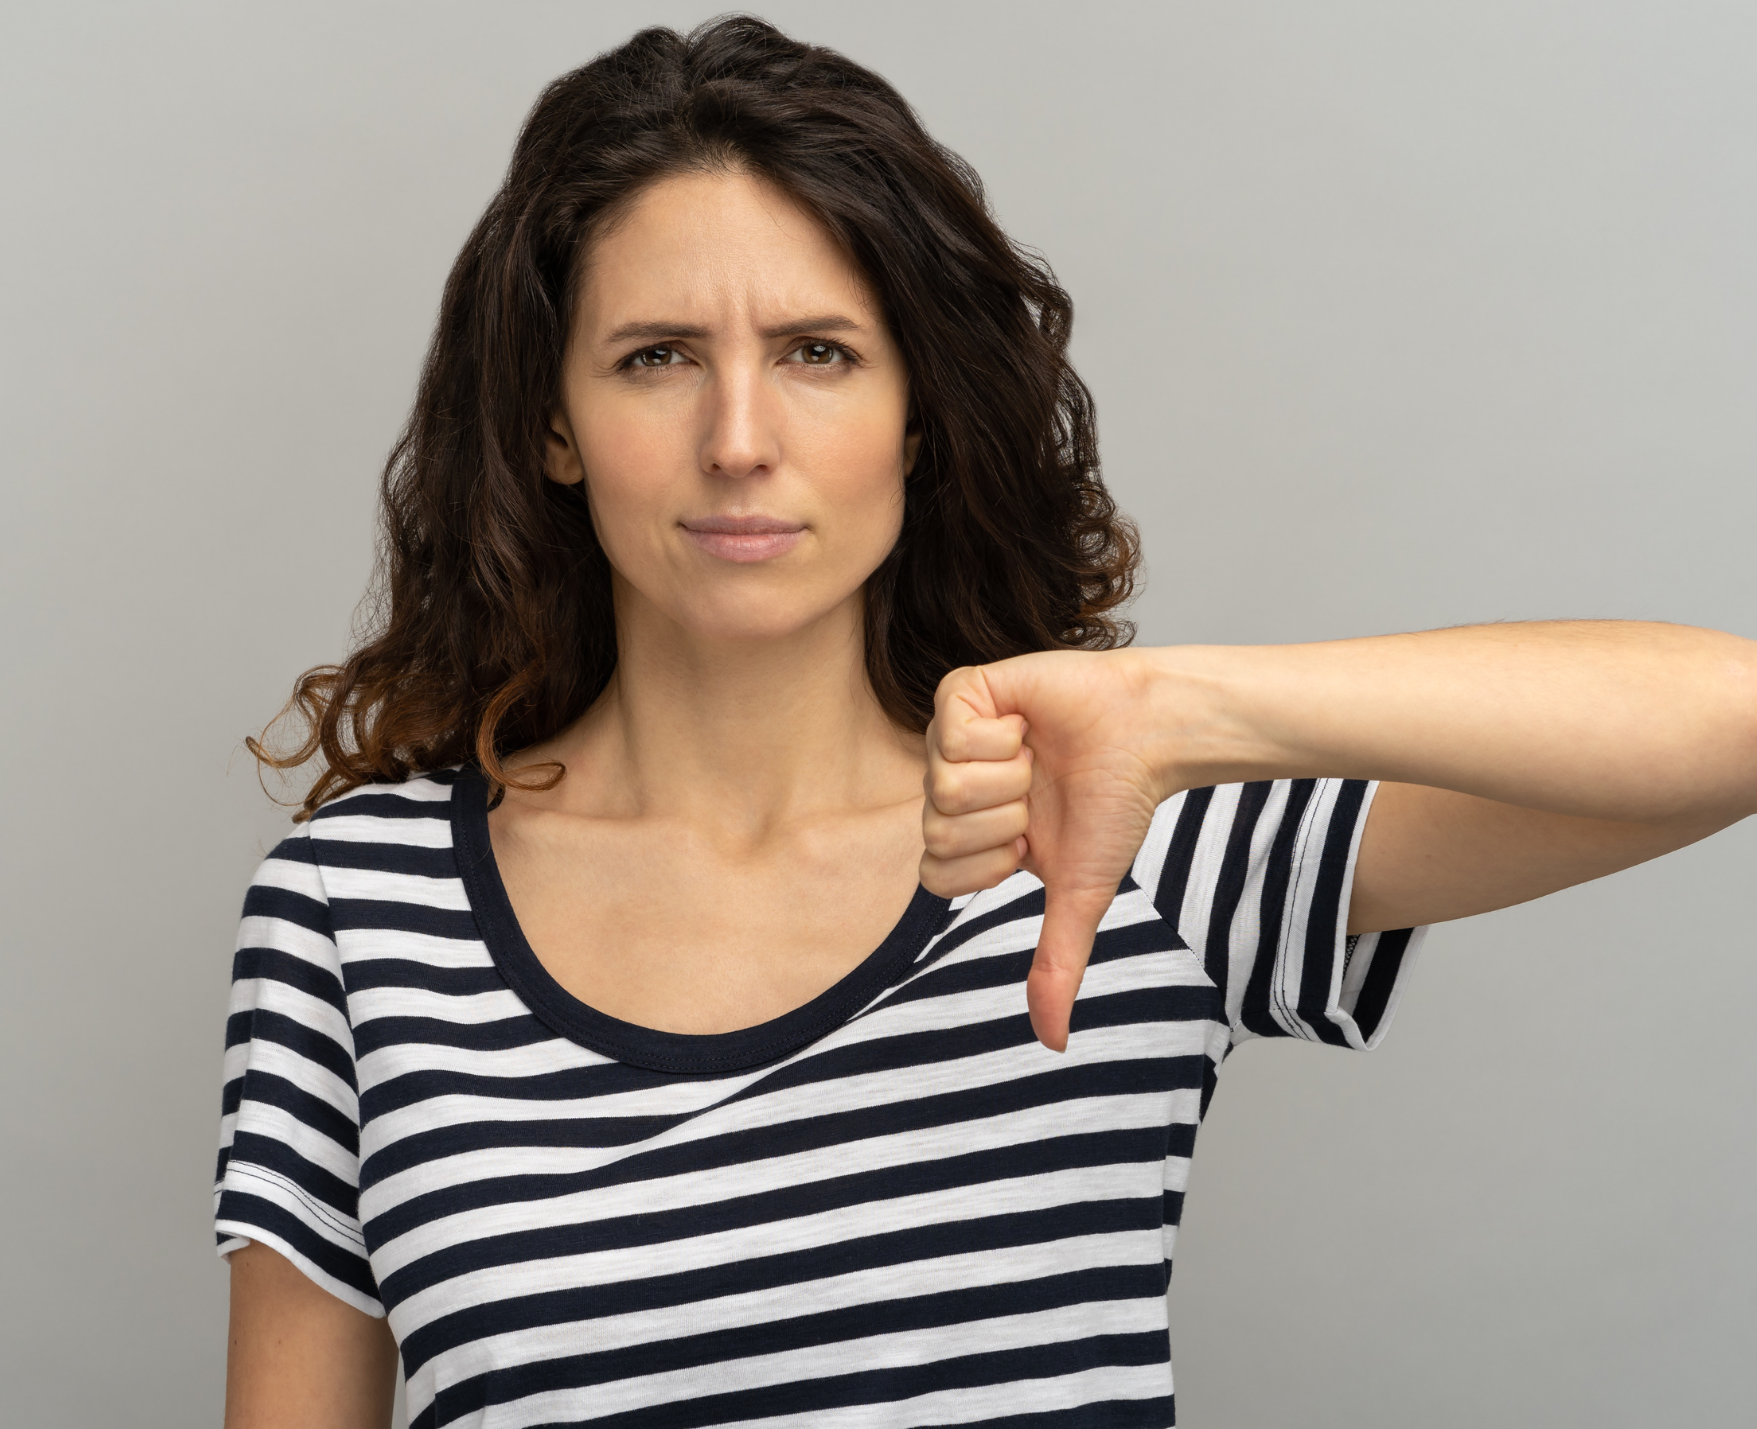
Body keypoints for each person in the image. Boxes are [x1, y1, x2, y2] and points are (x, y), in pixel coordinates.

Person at [213, 18, 1757, 1429]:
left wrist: (1179, 704)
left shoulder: (1111, 820)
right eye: (656, 357)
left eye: (818, 354)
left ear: (919, 415)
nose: (739, 440)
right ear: (553, 423)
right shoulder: (361, 912)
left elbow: (1730, 720)